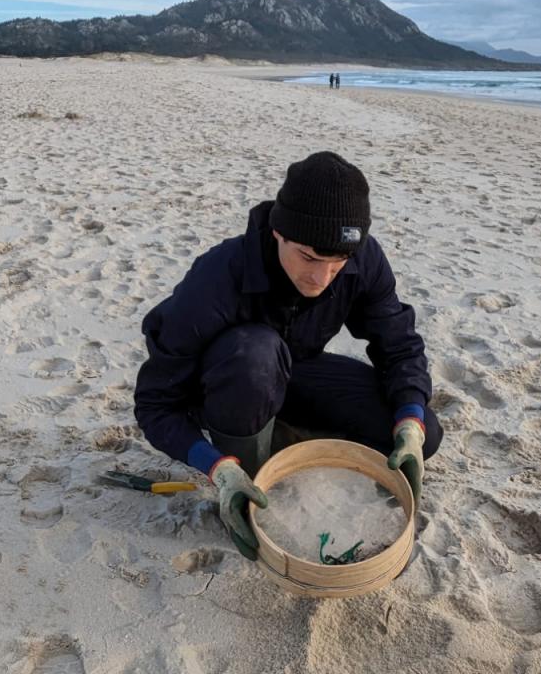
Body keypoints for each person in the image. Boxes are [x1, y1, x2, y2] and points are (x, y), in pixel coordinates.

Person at [133, 151, 443, 559]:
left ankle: (288, 440)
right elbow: (154, 404)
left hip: (296, 370)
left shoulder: (365, 259)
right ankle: (249, 472)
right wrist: (215, 466)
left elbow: (400, 345)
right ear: (279, 233)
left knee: (425, 430)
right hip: (230, 384)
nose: (321, 277)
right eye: (309, 257)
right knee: (256, 354)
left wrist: (410, 423)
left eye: (338, 262)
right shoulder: (216, 277)